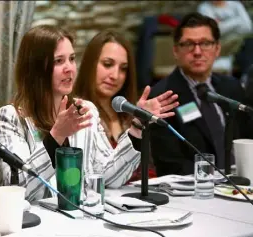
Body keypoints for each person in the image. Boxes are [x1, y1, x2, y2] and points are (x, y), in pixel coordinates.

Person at [0, 25, 178, 203]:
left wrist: (137, 126)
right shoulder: (9, 117)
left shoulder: (85, 110)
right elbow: (16, 191)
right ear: (35, 68)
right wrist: (56, 136)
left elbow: (108, 177)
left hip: (79, 219)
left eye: (72, 59)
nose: (69, 68)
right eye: (59, 61)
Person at [149, 12, 253, 176]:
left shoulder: (232, 88)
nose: (197, 51)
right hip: (194, 191)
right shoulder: (162, 96)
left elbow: (248, 139)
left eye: (205, 43)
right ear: (176, 50)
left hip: (240, 185)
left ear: (217, 49)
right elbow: (170, 163)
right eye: (189, 44)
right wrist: (216, 178)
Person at [73, 29, 179, 183]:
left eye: (123, 69)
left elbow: (149, 169)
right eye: (107, 64)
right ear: (90, 64)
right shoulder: (79, 112)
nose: (115, 75)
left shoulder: (130, 112)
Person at [198, 1, 253, 74]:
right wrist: (239, 21)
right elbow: (213, 31)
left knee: (249, 43)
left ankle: (247, 79)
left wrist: (223, 24)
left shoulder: (236, 5)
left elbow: (248, 27)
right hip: (222, 44)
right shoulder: (204, 8)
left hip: (240, 41)